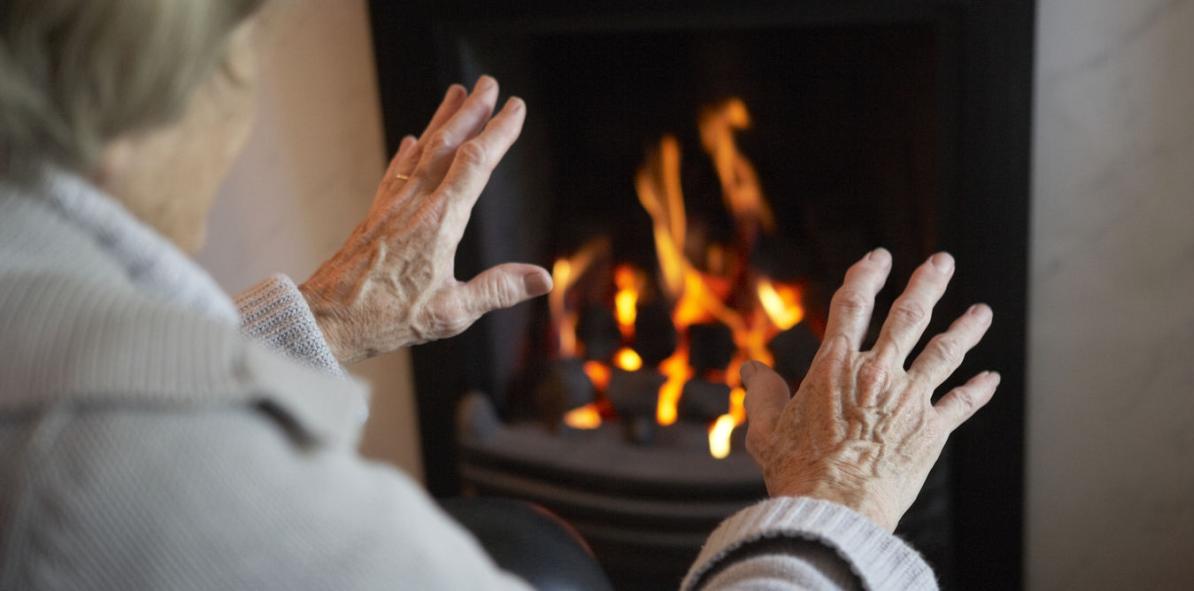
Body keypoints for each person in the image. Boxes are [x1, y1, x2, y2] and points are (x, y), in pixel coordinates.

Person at [0, 2, 999, 589]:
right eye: (241, 52)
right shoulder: (139, 472)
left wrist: (314, 326)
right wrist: (836, 509)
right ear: (131, 109)